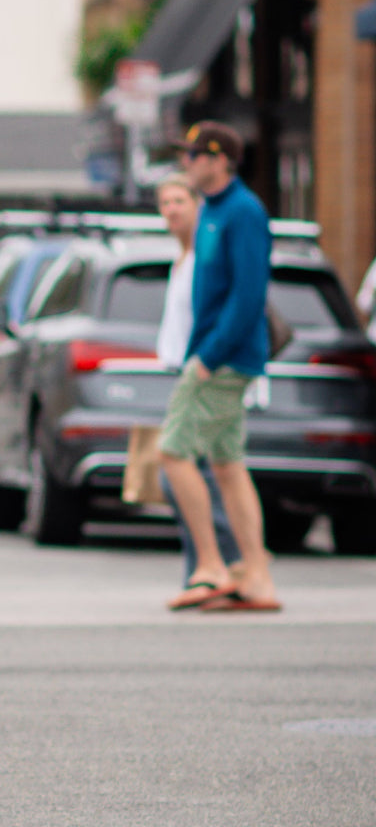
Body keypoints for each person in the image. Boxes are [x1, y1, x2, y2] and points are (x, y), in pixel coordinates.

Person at [160, 122, 280, 613]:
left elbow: (249, 295)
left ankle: (211, 566)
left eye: (193, 156)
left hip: (223, 359)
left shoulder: (244, 211)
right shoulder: (211, 209)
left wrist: (208, 359)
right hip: (212, 353)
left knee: (173, 452)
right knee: (228, 466)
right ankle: (257, 578)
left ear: (218, 160)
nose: (185, 163)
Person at [153, 173, 242, 588]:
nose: (171, 210)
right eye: (165, 203)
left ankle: (219, 567)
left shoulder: (205, 259)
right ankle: (208, 570)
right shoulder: (182, 258)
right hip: (180, 372)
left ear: (197, 206)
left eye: (179, 201)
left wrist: (206, 363)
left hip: (204, 373)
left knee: (181, 468)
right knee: (203, 471)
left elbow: (231, 308)